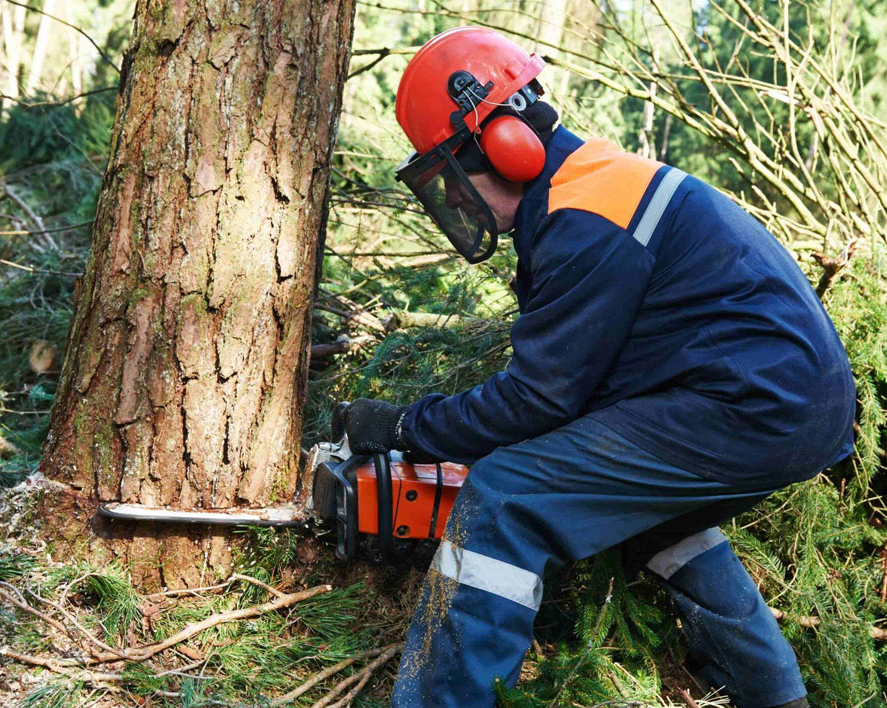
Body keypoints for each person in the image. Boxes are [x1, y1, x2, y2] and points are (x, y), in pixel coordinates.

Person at [338, 26, 857, 708]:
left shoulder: (588, 216)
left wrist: (406, 424)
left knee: (506, 498)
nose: (458, 201)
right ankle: (775, 694)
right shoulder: (590, 188)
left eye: (454, 178)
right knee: (657, 522)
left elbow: (538, 399)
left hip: (749, 405)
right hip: (789, 404)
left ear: (502, 145)